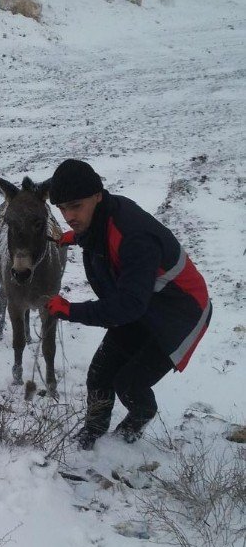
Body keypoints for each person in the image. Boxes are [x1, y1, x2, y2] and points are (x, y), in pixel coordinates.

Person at [45, 159, 212, 449]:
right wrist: (72, 238)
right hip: (145, 303)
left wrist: (72, 310)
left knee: (130, 383)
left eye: (75, 206)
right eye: (61, 208)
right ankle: (93, 435)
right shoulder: (101, 216)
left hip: (180, 315)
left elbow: (127, 307)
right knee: (100, 373)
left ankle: (133, 429)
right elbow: (96, 236)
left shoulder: (133, 236)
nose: (68, 215)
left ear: (97, 195)